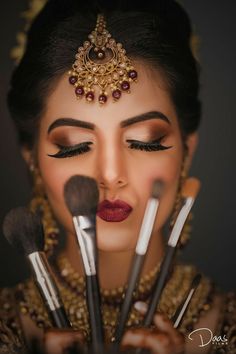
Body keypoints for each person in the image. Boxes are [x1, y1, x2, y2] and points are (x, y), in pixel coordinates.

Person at [0, 0, 235, 353]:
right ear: (31, 160)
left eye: (145, 142)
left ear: (187, 151)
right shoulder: (10, 328)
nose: (110, 175)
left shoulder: (223, 328)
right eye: (75, 146)